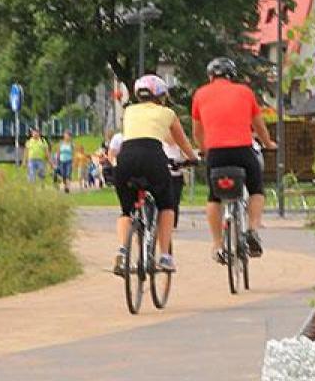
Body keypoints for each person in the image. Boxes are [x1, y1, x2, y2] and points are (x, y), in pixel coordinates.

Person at [191, 57, 275, 262]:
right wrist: (268, 143)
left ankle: (218, 245)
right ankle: (253, 230)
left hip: (216, 153)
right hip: (242, 151)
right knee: (256, 189)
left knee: (214, 197)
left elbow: (197, 131)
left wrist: (204, 151)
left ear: (211, 77)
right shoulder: (245, 92)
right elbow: (258, 125)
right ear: (232, 76)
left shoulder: (200, 94)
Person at [112, 75, 197, 275]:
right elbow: (182, 142)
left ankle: (123, 251)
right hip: (153, 157)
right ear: (160, 96)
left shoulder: (129, 111)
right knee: (167, 205)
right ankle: (165, 256)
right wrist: (193, 158)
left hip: (126, 158)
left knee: (126, 211)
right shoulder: (167, 113)